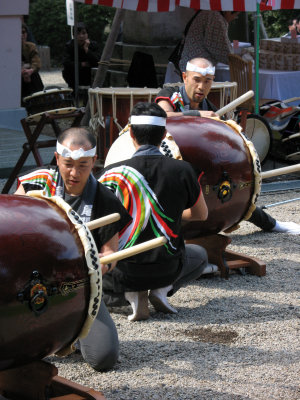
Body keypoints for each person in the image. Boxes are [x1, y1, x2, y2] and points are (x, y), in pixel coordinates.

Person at [15, 127, 132, 371]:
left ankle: (72, 328)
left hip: (77, 285)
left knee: (104, 358)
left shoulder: (106, 199)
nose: (74, 173)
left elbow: (111, 253)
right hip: (29, 280)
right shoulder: (33, 186)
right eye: (68, 164)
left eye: (83, 166)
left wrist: (104, 262)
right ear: (57, 158)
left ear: (94, 163)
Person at [156, 57, 300, 235]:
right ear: (185, 77)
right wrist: (199, 114)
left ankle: (272, 224)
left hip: (198, 167)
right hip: (166, 168)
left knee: (240, 193)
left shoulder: (208, 106)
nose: (201, 86)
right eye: (197, 80)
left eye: (207, 81)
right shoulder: (170, 92)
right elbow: (162, 114)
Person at [98, 102, 210, 321]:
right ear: (165, 134)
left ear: (130, 133)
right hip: (167, 268)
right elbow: (201, 215)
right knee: (201, 256)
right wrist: (172, 213)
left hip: (124, 272)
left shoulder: (112, 173)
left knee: (88, 279)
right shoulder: (183, 170)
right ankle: (160, 290)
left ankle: (132, 295)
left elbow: (101, 226)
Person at [62, 22, 100, 89]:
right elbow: (66, 63)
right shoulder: (69, 46)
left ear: (87, 34)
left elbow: (98, 61)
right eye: (78, 34)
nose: (81, 36)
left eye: (83, 33)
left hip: (90, 77)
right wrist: (82, 64)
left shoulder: (93, 45)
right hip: (74, 77)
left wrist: (87, 50)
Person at [21, 23, 44, 100]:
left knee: (34, 76)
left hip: (30, 75)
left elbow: (36, 62)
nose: (21, 35)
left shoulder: (31, 46)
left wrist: (30, 70)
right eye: (18, 32)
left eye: (23, 32)